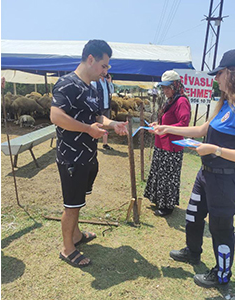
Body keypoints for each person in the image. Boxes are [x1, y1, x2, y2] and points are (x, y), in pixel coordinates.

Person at [155, 49, 235, 287]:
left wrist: (214, 150)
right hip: (205, 175)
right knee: (193, 216)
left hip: (224, 181)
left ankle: (222, 274)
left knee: (220, 228)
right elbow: (201, 130)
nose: (215, 79)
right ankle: (192, 251)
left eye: (220, 73)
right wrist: (168, 128)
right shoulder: (225, 104)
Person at [50, 40, 128, 267]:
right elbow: (56, 116)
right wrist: (87, 130)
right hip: (71, 157)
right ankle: (67, 249)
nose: (105, 71)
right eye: (104, 66)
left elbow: (96, 118)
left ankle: (76, 235)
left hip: (87, 155)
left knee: (78, 202)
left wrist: (113, 124)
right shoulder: (67, 84)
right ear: (91, 59)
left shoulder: (91, 88)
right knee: (71, 204)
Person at [145, 70, 191, 216]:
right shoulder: (170, 100)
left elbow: (184, 124)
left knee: (168, 177)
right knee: (160, 173)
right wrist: (157, 124)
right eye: (163, 87)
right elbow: (166, 120)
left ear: (176, 85)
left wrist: (165, 128)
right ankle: (159, 200)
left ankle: (167, 206)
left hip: (172, 147)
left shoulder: (181, 101)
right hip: (161, 144)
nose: (165, 90)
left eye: (167, 87)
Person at [92, 73, 116, 150]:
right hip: (98, 108)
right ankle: (93, 142)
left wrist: (109, 82)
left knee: (106, 126)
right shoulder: (95, 82)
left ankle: (105, 143)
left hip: (106, 107)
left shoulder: (106, 82)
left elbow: (112, 91)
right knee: (96, 125)